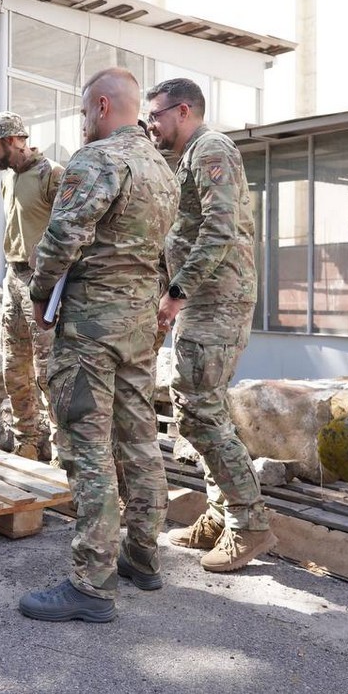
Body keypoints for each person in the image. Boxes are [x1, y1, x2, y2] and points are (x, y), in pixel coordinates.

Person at [18, 68, 179, 623]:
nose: (82, 122)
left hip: (90, 328)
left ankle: (91, 583)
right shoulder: (163, 169)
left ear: (103, 106)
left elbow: (63, 236)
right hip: (139, 328)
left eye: (84, 112)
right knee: (139, 440)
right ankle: (143, 557)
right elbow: (164, 254)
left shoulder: (96, 160)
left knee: (87, 445)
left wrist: (39, 295)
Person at [145, 77, 277, 573]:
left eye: (156, 114)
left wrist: (177, 292)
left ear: (183, 111)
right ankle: (221, 514)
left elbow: (219, 230)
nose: (151, 123)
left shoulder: (210, 149)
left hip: (216, 300)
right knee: (200, 410)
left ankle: (249, 523)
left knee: (198, 411)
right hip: (203, 300)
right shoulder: (188, 158)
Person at [0, 111, 64, 462]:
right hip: (12, 279)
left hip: (41, 281)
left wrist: (52, 283)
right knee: (14, 366)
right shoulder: (8, 179)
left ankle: (62, 451)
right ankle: (27, 440)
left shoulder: (52, 176)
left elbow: (69, 233)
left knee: (48, 371)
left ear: (14, 140)